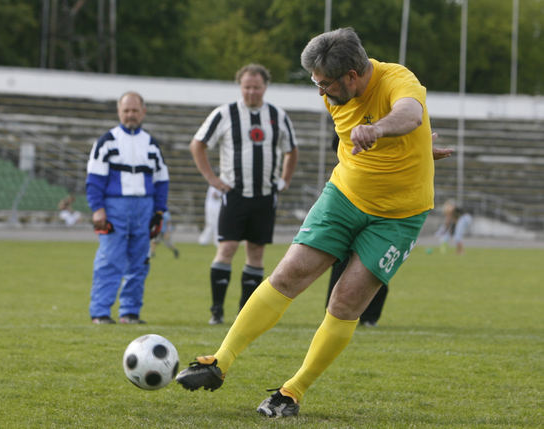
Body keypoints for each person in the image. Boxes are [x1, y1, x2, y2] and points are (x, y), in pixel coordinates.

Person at [176, 27, 437, 417]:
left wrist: (381, 130)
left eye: (325, 84)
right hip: (344, 196)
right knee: (287, 275)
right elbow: (366, 134)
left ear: (352, 76)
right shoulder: (336, 95)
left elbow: (410, 114)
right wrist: (416, 149)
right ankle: (219, 361)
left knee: (346, 301)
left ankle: (292, 392)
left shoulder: (397, 79)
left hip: (398, 217)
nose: (321, 93)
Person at [189, 63, 299, 325]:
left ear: (265, 87)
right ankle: (216, 310)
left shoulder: (277, 115)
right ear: (240, 87)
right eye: (247, 87)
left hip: (264, 195)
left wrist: (284, 180)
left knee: (256, 253)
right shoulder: (225, 114)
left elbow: (292, 150)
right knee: (226, 248)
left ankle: (244, 314)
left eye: (256, 87)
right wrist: (212, 179)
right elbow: (198, 144)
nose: (251, 92)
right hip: (234, 194)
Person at [325, 133, 453, 326]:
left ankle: (368, 316)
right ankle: (334, 313)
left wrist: (417, 152)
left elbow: (408, 146)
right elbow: (338, 143)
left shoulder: (402, 115)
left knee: (375, 261)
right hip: (354, 194)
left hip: (388, 201)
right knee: (343, 258)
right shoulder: (355, 114)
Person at [86, 91, 169, 325]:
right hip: (115, 207)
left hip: (145, 207)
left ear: (143, 112)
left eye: (134, 111)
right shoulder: (106, 142)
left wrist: (159, 211)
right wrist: (97, 209)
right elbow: (94, 180)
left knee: (140, 262)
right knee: (109, 260)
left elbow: (161, 181)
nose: (130, 115)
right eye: (126, 111)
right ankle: (100, 312)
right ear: (118, 112)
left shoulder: (151, 144)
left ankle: (130, 312)